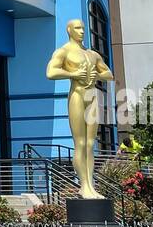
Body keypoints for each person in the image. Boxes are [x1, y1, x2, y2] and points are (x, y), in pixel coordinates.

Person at [45, 19, 114, 199]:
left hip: (91, 97)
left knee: (91, 144)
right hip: (77, 95)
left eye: (83, 28)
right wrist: (72, 74)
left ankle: (91, 185)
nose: (82, 31)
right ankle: (83, 186)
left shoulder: (92, 54)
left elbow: (109, 74)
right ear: (69, 30)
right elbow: (51, 72)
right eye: (77, 28)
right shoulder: (64, 51)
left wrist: (97, 74)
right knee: (80, 144)